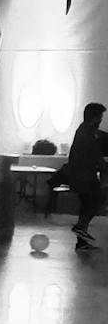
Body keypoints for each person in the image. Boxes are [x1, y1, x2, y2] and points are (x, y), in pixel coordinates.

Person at [67, 101, 106, 247]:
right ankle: (80, 227)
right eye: (100, 116)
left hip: (80, 174)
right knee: (98, 198)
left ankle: (81, 241)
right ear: (95, 117)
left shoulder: (84, 130)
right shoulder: (87, 132)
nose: (101, 119)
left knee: (87, 203)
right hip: (83, 175)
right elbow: (95, 154)